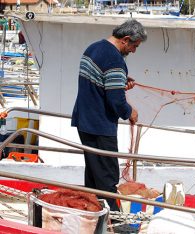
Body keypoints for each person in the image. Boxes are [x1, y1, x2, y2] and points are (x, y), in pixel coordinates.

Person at [71, 19, 147, 211]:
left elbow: (99, 84)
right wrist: (131, 113)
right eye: (134, 46)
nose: (134, 51)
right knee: (107, 179)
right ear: (126, 39)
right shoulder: (114, 59)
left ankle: (93, 218)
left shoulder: (93, 48)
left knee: (93, 176)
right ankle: (116, 223)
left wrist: (119, 79)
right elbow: (116, 101)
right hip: (100, 126)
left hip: (84, 121)